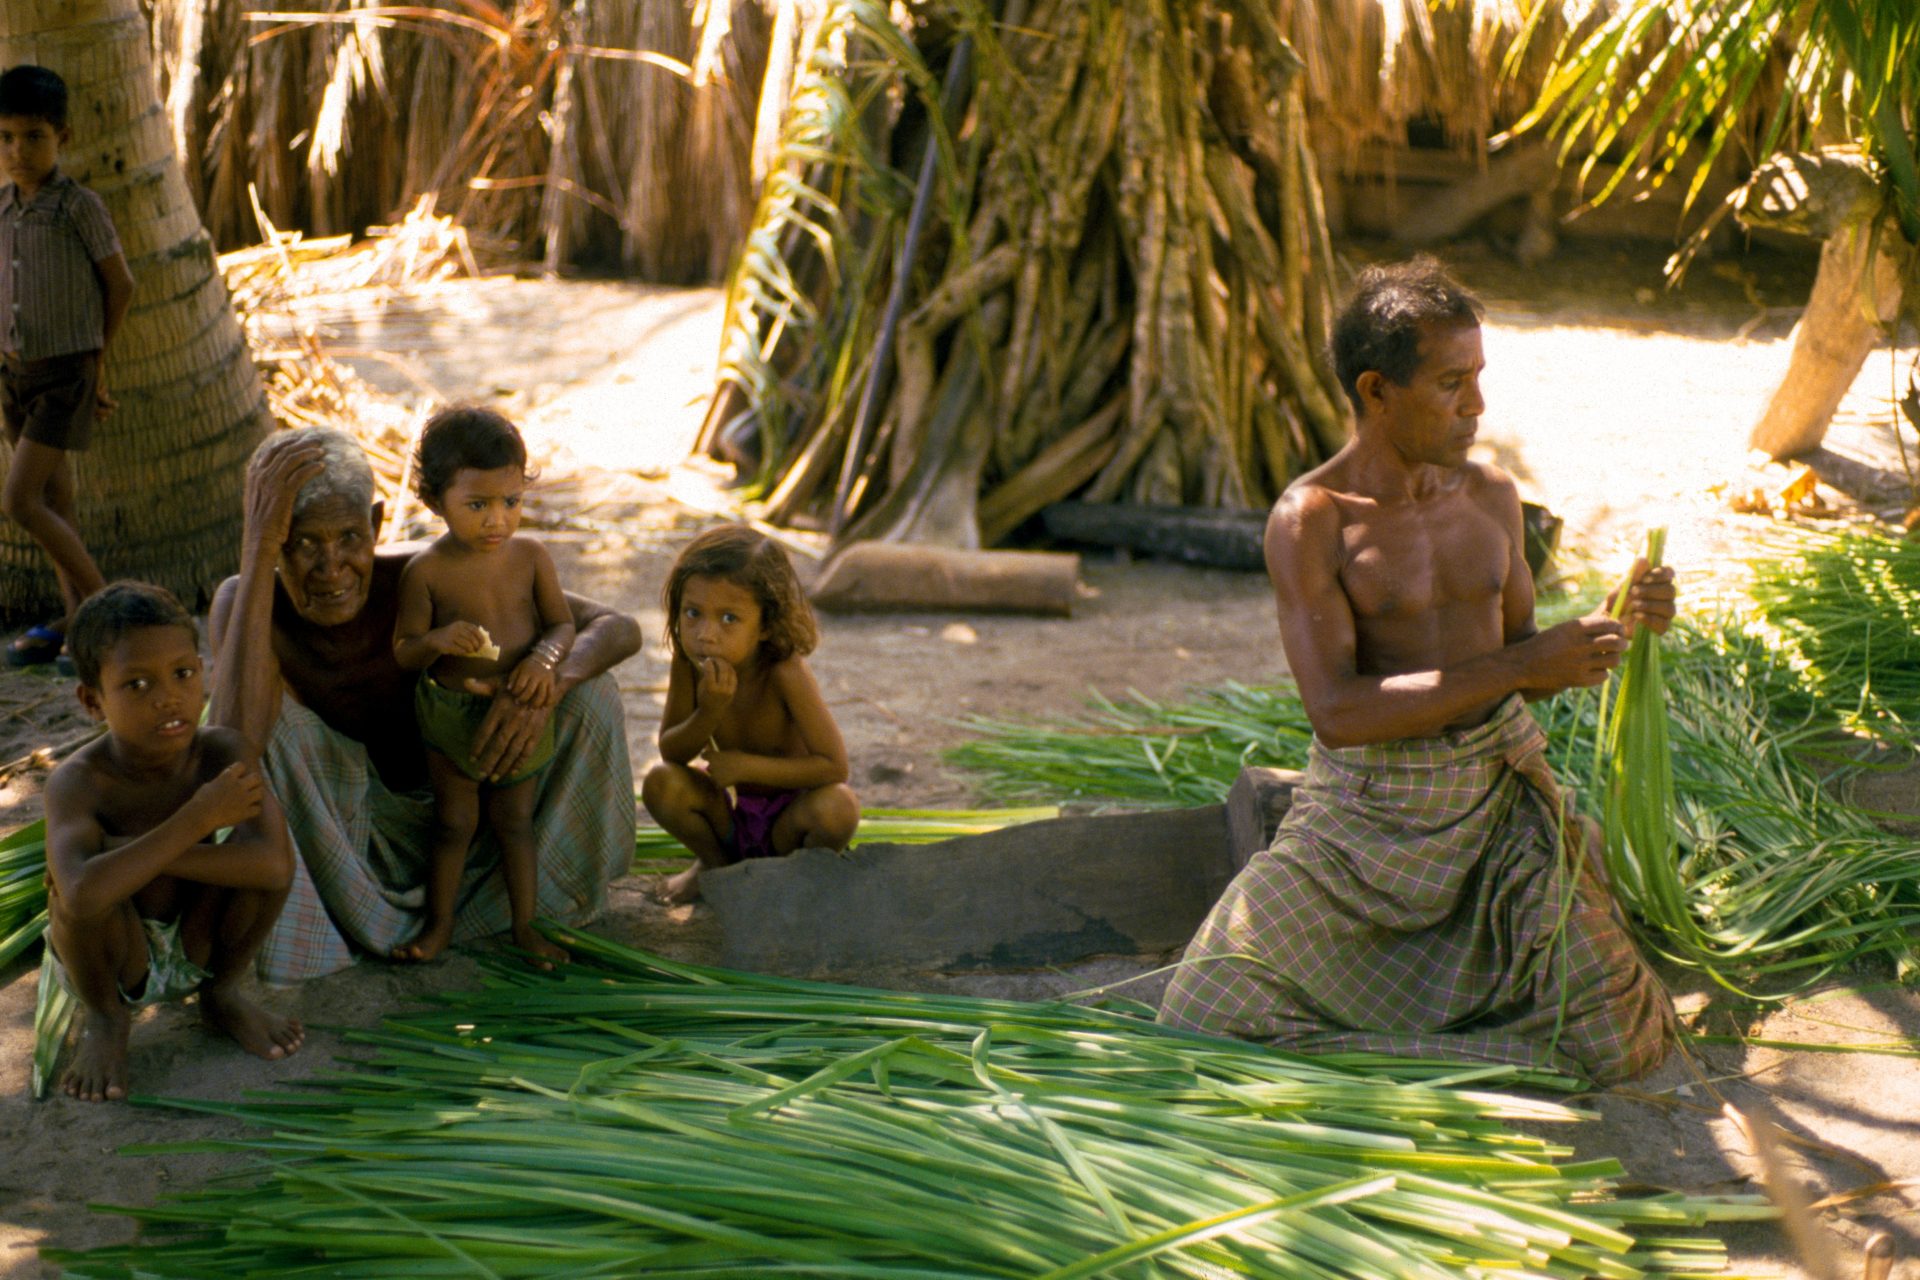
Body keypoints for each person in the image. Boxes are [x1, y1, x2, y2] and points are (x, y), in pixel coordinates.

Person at [1158, 257, 1675, 1084]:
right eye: (1450, 383)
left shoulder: (1491, 495)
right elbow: (1339, 714)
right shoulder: (1313, 520)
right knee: (1204, 1016)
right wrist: (1521, 662)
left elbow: (1527, 671)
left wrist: (1613, 627)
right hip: (1368, 822)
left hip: (1503, 805)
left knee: (1622, 1045)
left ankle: (1464, 1050)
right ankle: (1459, 1059)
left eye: (1478, 377)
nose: (1476, 405)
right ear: (1375, 391)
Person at [208, 427, 640, 982]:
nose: (331, 568)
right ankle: (356, 934)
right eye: (301, 543)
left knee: (592, 693)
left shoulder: (425, 572)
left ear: (376, 524)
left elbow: (616, 627)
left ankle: (522, 913)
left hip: (471, 821)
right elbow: (233, 747)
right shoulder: (245, 601)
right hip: (343, 852)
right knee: (275, 735)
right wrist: (257, 549)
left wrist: (547, 684)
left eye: (348, 538)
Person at [43, 582, 303, 1102]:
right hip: (116, 950)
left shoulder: (222, 750)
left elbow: (275, 868)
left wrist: (132, 849)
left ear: (202, 670)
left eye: (183, 674)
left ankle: (222, 994)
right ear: (93, 701)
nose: (168, 697)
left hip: (199, 936)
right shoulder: (78, 782)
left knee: (260, 867)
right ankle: (107, 1020)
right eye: (136, 685)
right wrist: (196, 818)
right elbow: (81, 898)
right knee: (69, 900)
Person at [391, 407, 574, 967]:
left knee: (516, 823)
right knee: (454, 824)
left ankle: (527, 927)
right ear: (434, 502)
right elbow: (404, 652)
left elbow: (563, 624)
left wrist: (544, 659)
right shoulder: (426, 572)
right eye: (477, 505)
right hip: (451, 716)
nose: (497, 521)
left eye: (511, 502)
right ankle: (440, 925)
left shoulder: (531, 558)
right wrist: (439, 639)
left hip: (522, 709)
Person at [642, 524, 859, 905]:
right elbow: (672, 753)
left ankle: (790, 880)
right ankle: (715, 868)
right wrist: (708, 712)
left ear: (767, 625)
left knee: (839, 808)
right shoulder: (689, 664)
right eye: (693, 613)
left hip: (790, 825)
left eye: (729, 618)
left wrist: (745, 767)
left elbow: (834, 767)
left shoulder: (784, 672)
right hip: (730, 822)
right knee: (661, 783)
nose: (705, 634)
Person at [0, 65, 136, 669]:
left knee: (20, 502)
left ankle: (106, 612)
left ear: (64, 137)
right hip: (14, 376)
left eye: (33, 136)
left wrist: (96, 365)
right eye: (4, 137)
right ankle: (72, 618)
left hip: (65, 375)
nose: (17, 151)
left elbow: (121, 286)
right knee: (56, 502)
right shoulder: (4, 210)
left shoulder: (78, 207)